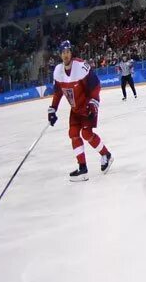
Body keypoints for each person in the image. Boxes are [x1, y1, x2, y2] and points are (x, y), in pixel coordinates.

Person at [47, 41, 113, 181]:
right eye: (63, 52)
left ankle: (106, 155)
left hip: (87, 106)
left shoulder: (81, 66)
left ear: (71, 53)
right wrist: (52, 109)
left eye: (67, 51)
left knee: (87, 134)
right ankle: (82, 168)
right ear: (60, 54)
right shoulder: (58, 71)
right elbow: (58, 92)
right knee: (73, 134)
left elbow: (96, 86)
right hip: (75, 109)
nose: (65, 54)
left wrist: (93, 103)